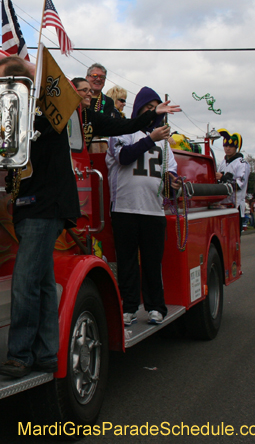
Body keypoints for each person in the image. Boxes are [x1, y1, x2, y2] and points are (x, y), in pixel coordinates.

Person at [0, 55, 77, 378]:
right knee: (43, 283)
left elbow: (19, 137)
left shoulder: (46, 111)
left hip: (46, 205)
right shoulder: (10, 113)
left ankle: (20, 355)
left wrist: (33, 75)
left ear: (18, 86)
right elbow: (2, 142)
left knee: (24, 282)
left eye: (2, 84)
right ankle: (48, 353)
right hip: (27, 205)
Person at [107, 86, 181, 326]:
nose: (152, 113)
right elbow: (123, 157)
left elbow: (169, 174)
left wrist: (173, 182)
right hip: (125, 208)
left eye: (155, 109)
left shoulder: (165, 142)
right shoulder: (124, 131)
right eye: (147, 109)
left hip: (153, 209)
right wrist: (150, 138)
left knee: (152, 262)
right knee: (127, 262)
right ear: (138, 109)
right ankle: (128, 307)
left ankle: (155, 307)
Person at [74, 78, 181, 150]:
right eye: (84, 90)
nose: (89, 93)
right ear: (73, 91)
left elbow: (126, 125)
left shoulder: (93, 117)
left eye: (90, 91)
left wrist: (154, 112)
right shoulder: (64, 113)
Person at [215, 129, 250, 232]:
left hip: (236, 205)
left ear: (236, 148)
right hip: (223, 204)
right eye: (226, 146)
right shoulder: (223, 162)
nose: (228, 149)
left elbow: (239, 185)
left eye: (231, 146)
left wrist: (223, 177)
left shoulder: (242, 164)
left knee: (234, 234)